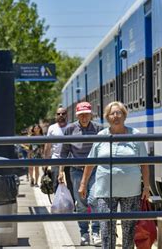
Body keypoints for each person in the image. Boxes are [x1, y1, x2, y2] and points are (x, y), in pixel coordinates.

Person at [78, 101, 150, 249]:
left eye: (119, 113)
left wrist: (146, 187)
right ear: (107, 117)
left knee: (129, 230)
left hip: (131, 190)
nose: (116, 116)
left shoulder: (135, 135)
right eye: (112, 113)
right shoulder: (101, 136)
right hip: (105, 190)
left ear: (124, 116)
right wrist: (83, 183)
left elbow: (144, 163)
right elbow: (91, 162)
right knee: (106, 229)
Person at [59, 101, 102, 246]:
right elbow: (64, 152)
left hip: (95, 170)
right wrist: (60, 172)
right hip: (77, 171)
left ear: (91, 114)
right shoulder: (70, 130)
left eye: (86, 114)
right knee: (81, 204)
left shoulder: (98, 129)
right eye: (81, 115)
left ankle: (96, 232)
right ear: (77, 115)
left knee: (95, 199)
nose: (84, 117)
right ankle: (84, 233)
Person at [43, 107, 69, 192]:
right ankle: (58, 204)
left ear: (67, 115)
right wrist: (45, 163)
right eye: (58, 114)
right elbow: (47, 146)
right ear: (55, 116)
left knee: (70, 185)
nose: (61, 115)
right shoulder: (51, 128)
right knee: (56, 185)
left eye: (63, 113)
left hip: (70, 160)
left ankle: (71, 204)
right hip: (56, 160)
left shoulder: (71, 127)